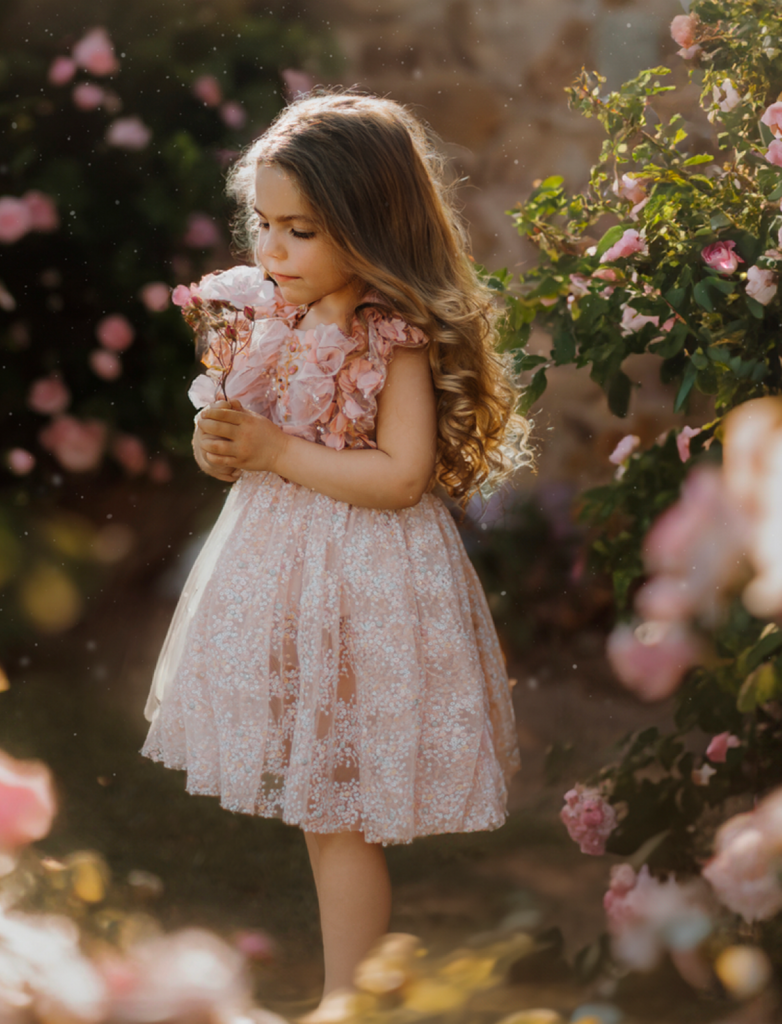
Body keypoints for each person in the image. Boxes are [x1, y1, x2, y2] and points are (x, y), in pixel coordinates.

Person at [141, 90, 532, 998]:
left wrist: (277, 449)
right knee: (320, 799)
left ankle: (346, 1000)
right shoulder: (265, 317)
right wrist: (226, 446)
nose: (272, 251)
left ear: (370, 225)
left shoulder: (386, 333)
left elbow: (401, 476)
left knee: (336, 804)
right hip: (282, 569)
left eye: (301, 231)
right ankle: (346, 1000)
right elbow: (251, 438)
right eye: (264, 225)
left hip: (368, 573)